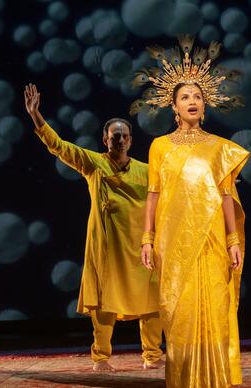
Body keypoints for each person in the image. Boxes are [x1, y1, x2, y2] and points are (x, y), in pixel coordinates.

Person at [23, 83, 164, 372]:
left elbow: (176, 188)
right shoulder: (94, 164)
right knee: (104, 302)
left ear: (131, 140)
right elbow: (60, 147)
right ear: (105, 139)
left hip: (141, 248)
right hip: (107, 248)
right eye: (115, 136)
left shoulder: (147, 171)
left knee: (151, 300)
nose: (120, 140)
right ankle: (101, 358)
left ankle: (152, 355)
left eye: (124, 136)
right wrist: (36, 116)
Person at [135, 36, 249, 387]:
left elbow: (226, 195)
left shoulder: (219, 149)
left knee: (214, 306)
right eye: (185, 96)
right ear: (174, 106)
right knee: (180, 310)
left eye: (198, 96)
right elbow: (153, 195)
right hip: (174, 242)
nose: (193, 101)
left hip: (212, 241)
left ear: (206, 104)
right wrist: (147, 239)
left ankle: (216, 378)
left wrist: (233, 240)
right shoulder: (159, 147)